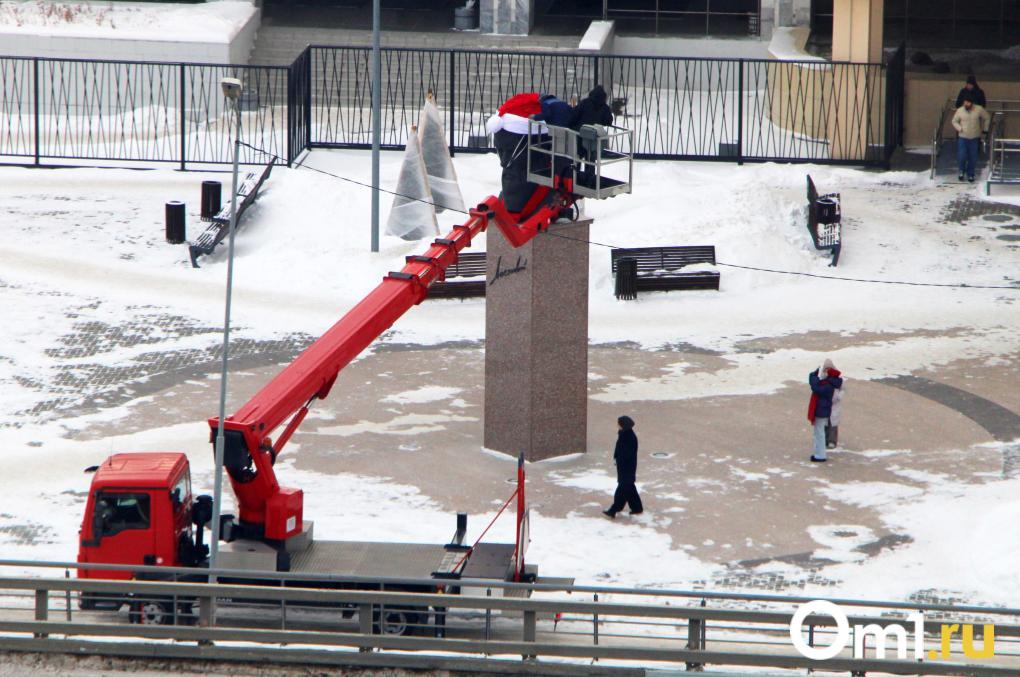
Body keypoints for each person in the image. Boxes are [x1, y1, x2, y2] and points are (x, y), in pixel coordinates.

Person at [603, 415, 643, 518]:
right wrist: (616, 458)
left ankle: (614, 509)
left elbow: (626, 454)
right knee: (629, 487)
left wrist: (619, 460)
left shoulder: (629, 437)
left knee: (622, 488)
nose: (617, 425)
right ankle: (637, 507)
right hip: (624, 467)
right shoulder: (623, 434)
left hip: (627, 468)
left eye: (618, 423)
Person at [807, 360, 843, 463]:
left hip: (821, 410)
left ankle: (820, 455)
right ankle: (819, 454)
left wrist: (813, 377)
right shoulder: (831, 382)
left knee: (819, 433)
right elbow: (817, 386)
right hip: (822, 410)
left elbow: (816, 388)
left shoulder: (829, 384)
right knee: (819, 433)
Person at [952, 95, 991, 183]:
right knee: (962, 155)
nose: (966, 104)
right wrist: (959, 128)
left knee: (973, 157)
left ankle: (971, 173)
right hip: (963, 137)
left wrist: (985, 129)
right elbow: (954, 121)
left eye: (968, 102)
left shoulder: (978, 109)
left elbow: (987, 117)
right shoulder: (960, 110)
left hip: (974, 137)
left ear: (971, 103)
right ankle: (961, 171)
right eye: (965, 102)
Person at [825, 363, 844, 449]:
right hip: (825, 405)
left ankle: (832, 441)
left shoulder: (838, 380)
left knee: (833, 424)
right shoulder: (824, 379)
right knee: (825, 423)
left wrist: (838, 397)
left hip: (834, 406)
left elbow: (843, 390)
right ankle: (826, 439)